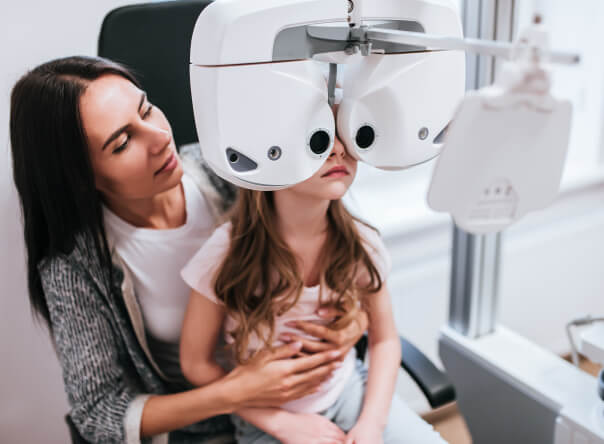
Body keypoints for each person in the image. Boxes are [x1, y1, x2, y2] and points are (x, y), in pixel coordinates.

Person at [9, 56, 369, 444]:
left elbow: (345, 249)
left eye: (146, 109)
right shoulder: (75, 267)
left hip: (321, 395)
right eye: (124, 141)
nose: (160, 137)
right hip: (202, 432)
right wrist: (238, 395)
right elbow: (98, 415)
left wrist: (354, 325)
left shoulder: (235, 164)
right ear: (81, 178)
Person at [179, 119, 448, 443]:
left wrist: (371, 425)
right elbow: (196, 363)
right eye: (317, 139)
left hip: (349, 393)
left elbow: (385, 340)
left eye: (346, 137)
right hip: (264, 419)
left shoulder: (361, 245)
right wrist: (278, 422)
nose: (338, 149)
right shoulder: (226, 253)